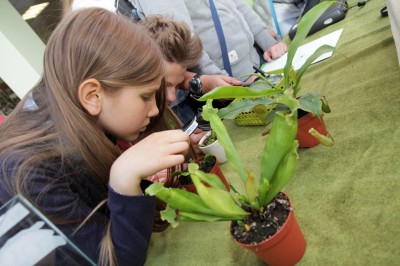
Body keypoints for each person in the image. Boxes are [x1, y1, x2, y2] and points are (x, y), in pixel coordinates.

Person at [0, 7, 190, 266]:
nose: (156, 109)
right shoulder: (31, 173)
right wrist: (124, 179)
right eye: (145, 96)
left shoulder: (82, 123)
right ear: (92, 96)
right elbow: (107, 260)